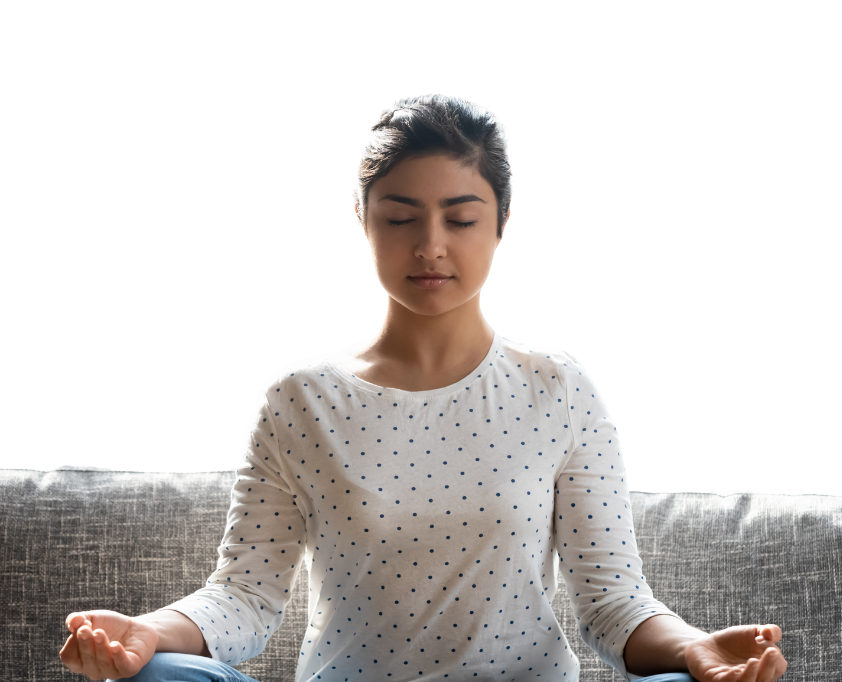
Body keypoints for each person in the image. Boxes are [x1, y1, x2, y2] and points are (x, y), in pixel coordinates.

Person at [59, 95, 788, 682]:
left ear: (501, 223)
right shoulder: (300, 402)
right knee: (162, 677)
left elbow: (613, 604)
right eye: (401, 218)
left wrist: (693, 647)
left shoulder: (556, 388)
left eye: (461, 218)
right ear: (363, 221)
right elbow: (245, 599)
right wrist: (146, 634)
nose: (431, 245)